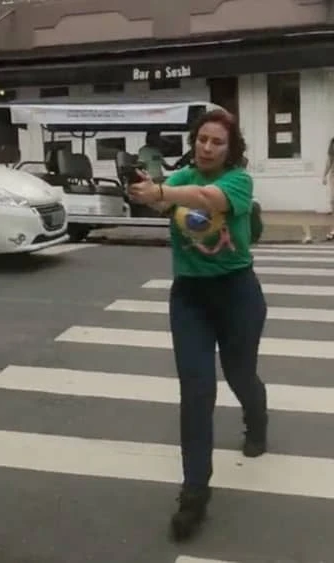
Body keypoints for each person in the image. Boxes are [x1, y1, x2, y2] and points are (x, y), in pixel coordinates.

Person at [126, 109, 268, 542]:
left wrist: (163, 191)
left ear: (231, 149)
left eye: (217, 142)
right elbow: (157, 198)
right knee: (197, 391)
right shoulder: (180, 176)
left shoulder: (238, 181)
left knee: (241, 374)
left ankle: (257, 419)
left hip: (237, 294)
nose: (207, 147)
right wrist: (143, 193)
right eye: (202, 139)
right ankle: (194, 495)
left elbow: (206, 199)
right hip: (190, 298)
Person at [323, 136, 334, 240]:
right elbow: (328, 164)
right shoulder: (331, 154)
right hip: (333, 178)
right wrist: (324, 176)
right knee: (333, 202)